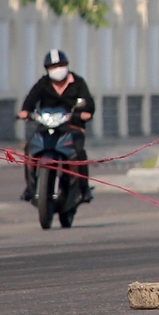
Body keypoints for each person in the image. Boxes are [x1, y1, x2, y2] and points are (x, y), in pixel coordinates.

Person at [18, 49, 96, 205]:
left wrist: (82, 114)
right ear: (47, 69)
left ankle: (83, 188)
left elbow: (89, 105)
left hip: (71, 127)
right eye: (53, 66)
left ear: (67, 65)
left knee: (79, 152)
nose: (57, 69)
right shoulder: (43, 83)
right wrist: (25, 111)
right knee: (30, 149)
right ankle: (31, 186)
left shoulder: (78, 83)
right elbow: (31, 99)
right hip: (46, 127)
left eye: (60, 65)